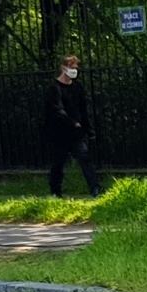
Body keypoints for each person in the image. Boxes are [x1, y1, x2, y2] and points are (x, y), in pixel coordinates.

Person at [43, 55, 100, 197]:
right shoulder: (54, 88)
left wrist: (89, 129)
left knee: (85, 158)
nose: (75, 71)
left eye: (76, 68)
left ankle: (95, 189)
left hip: (77, 133)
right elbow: (57, 110)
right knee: (58, 164)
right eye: (72, 68)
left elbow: (83, 109)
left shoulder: (77, 87)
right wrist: (72, 122)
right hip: (59, 133)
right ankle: (55, 192)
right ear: (63, 68)